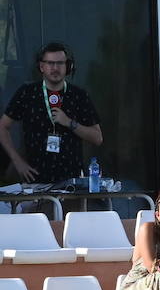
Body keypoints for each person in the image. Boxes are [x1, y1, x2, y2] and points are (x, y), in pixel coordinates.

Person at [0, 41, 103, 184]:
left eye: (60, 63)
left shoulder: (79, 95)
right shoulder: (27, 93)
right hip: (34, 181)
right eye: (50, 63)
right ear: (41, 66)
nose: (55, 68)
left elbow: (97, 138)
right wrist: (17, 161)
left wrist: (69, 123)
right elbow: (3, 126)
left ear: (68, 66)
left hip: (71, 182)